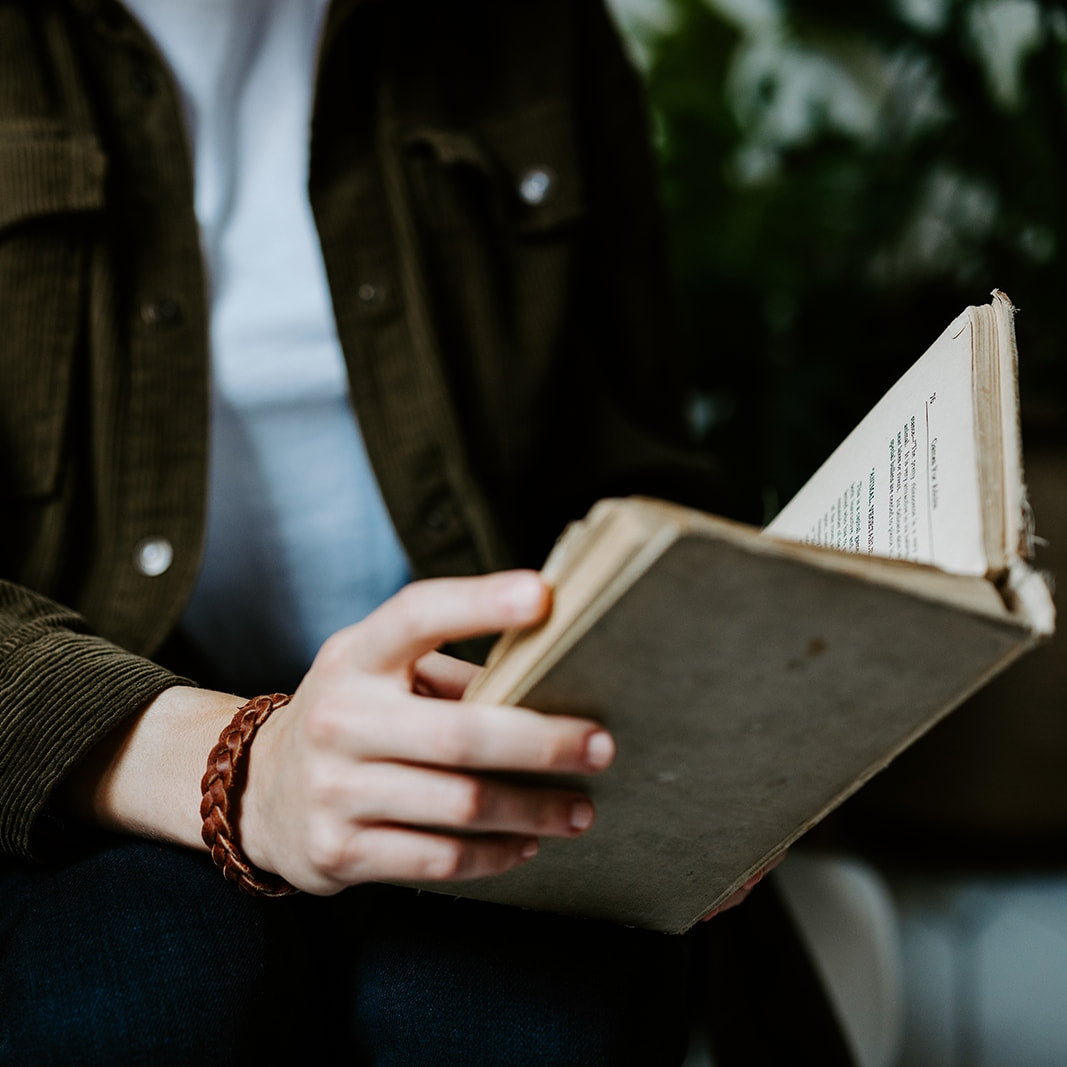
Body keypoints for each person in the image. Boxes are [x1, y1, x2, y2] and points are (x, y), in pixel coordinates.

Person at [0, 1, 855, 1063]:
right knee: (146, 987)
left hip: (481, 734)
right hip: (75, 787)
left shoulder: (536, 30)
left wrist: (717, 727)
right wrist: (244, 771)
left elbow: (630, 463)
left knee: (516, 1018)